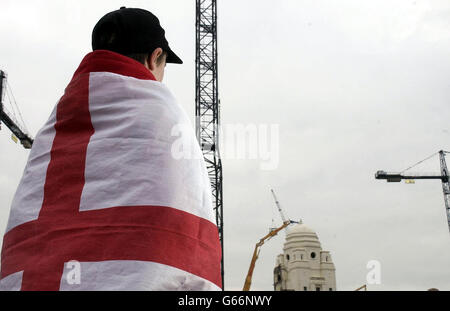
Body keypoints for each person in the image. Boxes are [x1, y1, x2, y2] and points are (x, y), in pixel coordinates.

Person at [0, 7, 222, 291]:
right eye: (163, 66)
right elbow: (186, 237)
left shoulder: (53, 124)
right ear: (155, 58)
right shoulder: (163, 114)